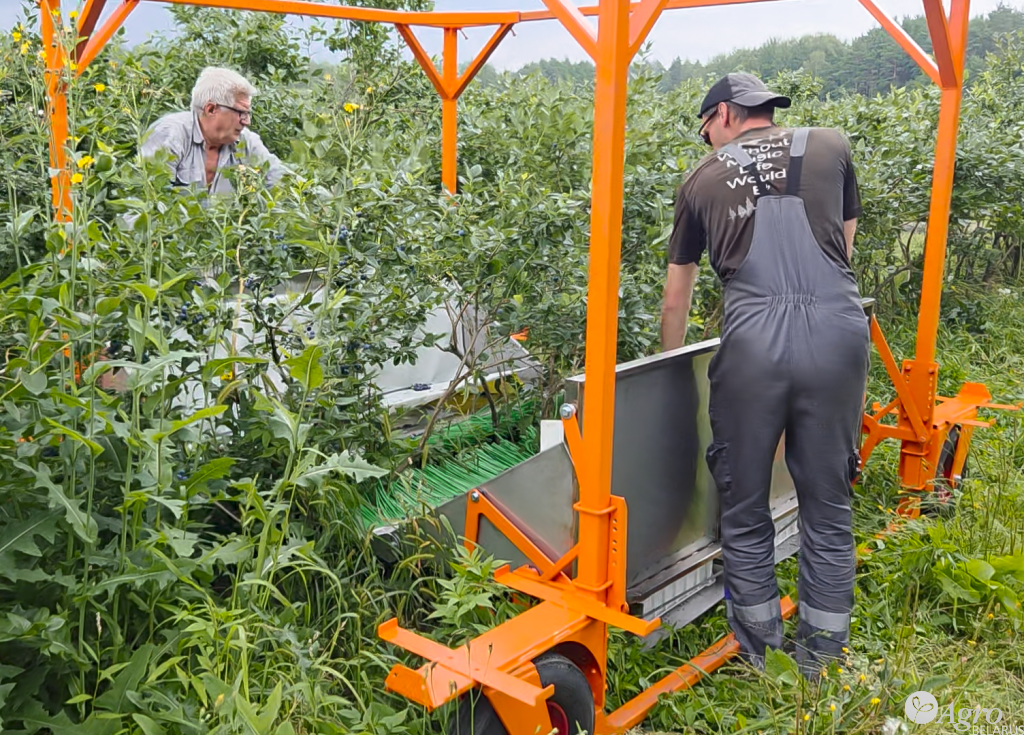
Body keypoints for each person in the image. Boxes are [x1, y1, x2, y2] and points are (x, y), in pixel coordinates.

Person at [660, 73, 870, 678]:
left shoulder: (701, 180)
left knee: (745, 504)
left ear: (723, 114)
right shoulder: (831, 146)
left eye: (707, 132)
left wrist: (674, 365)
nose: (709, 145)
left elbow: (677, 299)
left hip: (752, 343)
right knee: (828, 504)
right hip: (837, 331)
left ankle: (762, 659)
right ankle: (820, 662)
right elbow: (843, 249)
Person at [140, 66, 289, 193]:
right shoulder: (170, 134)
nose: (246, 121)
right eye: (240, 113)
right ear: (211, 109)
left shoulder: (245, 141)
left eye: (248, 114)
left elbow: (283, 180)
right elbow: (151, 200)